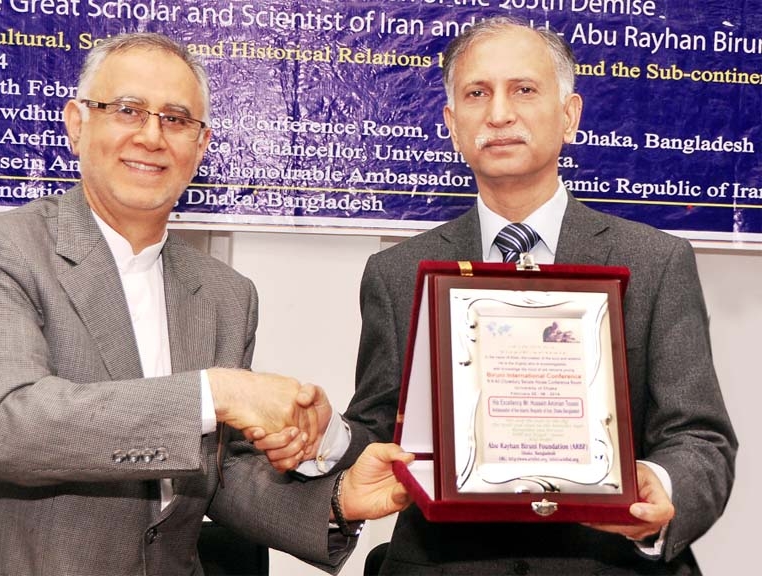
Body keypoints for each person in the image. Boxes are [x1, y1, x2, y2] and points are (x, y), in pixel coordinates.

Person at [259, 16, 737, 575]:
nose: (499, 113)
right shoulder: (396, 272)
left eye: (524, 90)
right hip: (445, 565)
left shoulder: (656, 262)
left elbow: (698, 437)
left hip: (607, 562)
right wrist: (327, 435)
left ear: (569, 116)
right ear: (453, 124)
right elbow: (383, 432)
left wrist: (658, 485)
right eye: (477, 93)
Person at [0, 32, 412, 576]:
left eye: (177, 119)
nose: (152, 136)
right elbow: (7, 425)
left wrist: (338, 499)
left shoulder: (226, 294)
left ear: (199, 148)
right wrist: (220, 392)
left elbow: (215, 475)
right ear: (77, 124)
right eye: (128, 109)